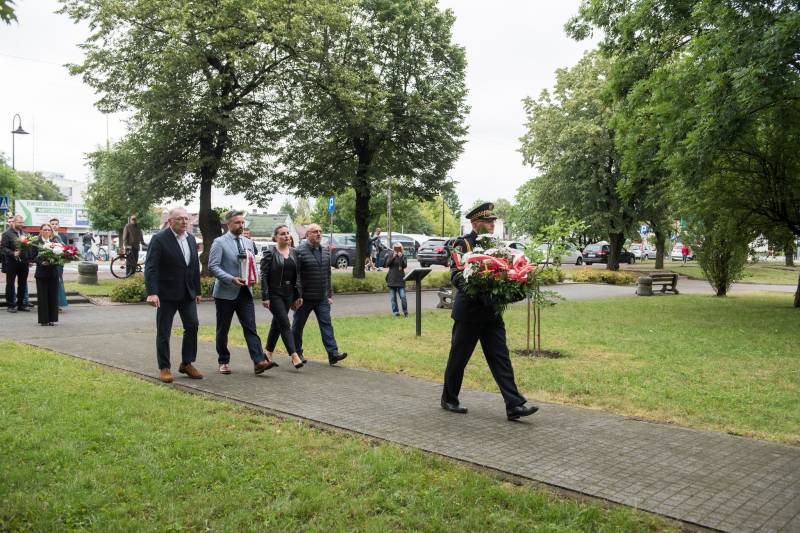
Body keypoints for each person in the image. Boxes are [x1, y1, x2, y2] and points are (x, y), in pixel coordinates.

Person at [441, 202, 539, 421]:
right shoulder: (463, 244)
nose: (492, 224)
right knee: (458, 359)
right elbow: (456, 276)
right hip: (469, 313)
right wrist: (478, 291)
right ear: (476, 223)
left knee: (501, 358)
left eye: (493, 220)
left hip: (491, 313)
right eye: (487, 221)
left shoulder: (498, 247)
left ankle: (514, 405)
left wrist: (510, 290)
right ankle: (449, 398)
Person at [208, 210, 277, 375]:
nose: (241, 225)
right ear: (228, 224)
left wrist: (253, 278)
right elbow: (213, 266)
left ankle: (259, 361)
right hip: (225, 293)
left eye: (242, 222)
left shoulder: (248, 242)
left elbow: (251, 264)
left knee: (250, 327)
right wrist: (231, 278)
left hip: (245, 292)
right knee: (223, 329)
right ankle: (223, 361)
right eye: (237, 222)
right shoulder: (219, 242)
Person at [144, 207, 203, 383]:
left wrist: (197, 290)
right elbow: (151, 267)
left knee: (192, 326)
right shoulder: (159, 239)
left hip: (187, 293)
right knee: (164, 331)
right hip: (166, 294)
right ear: (170, 221)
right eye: (179, 219)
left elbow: (194, 267)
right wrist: (152, 292)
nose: (184, 222)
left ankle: (187, 363)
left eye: (186, 218)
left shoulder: (191, 239)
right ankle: (164, 367)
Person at [291, 223, 348, 366]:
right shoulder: (298, 252)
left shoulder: (326, 252)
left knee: (326, 325)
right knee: (298, 326)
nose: (318, 234)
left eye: (320, 231)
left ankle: (333, 354)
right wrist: (297, 296)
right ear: (307, 234)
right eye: (315, 231)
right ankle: (297, 353)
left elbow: (328, 274)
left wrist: (329, 295)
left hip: (322, 298)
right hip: (304, 298)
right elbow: (296, 276)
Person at [260, 224, 305, 369]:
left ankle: (268, 353)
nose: (286, 236)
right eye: (282, 234)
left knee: (277, 324)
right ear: (276, 237)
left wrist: (298, 295)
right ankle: (294, 355)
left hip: (289, 293)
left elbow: (298, 276)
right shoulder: (270, 254)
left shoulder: (295, 253)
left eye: (287, 233)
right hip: (274, 294)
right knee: (285, 323)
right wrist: (265, 296)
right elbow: (264, 276)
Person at [31, 224, 60, 326]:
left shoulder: (55, 242)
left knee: (53, 296)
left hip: (53, 273)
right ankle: (44, 320)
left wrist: (57, 260)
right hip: (41, 273)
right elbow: (32, 257)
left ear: (51, 231)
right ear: (40, 231)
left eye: (48, 230)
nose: (47, 231)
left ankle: (52, 319)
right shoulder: (35, 243)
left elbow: (61, 256)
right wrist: (41, 262)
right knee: (43, 297)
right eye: (44, 230)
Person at [1, 215, 31, 314]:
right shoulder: (7, 234)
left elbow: (28, 248)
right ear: (13, 222)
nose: (21, 224)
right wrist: (13, 253)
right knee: (10, 284)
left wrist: (29, 259)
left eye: (22, 222)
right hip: (11, 263)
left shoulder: (25, 233)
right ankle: (11, 305)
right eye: (19, 222)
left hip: (24, 263)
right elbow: (3, 248)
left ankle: (21, 304)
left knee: (22, 283)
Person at [49, 218, 68, 310]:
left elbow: (66, 249)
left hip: (60, 263)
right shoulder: (48, 235)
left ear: (59, 225)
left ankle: (58, 303)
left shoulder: (63, 236)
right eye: (52, 224)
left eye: (56, 224)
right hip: (50, 263)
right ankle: (51, 303)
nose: (54, 225)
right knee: (51, 283)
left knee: (59, 282)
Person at [385, 242, 408, 317]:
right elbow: (387, 264)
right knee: (393, 298)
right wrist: (393, 257)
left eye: (399, 248)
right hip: (392, 279)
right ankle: (396, 312)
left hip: (400, 279)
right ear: (393, 248)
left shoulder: (403, 255)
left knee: (403, 297)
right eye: (396, 248)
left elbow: (405, 265)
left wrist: (400, 257)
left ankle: (405, 311)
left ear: (401, 249)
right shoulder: (391, 254)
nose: (397, 250)